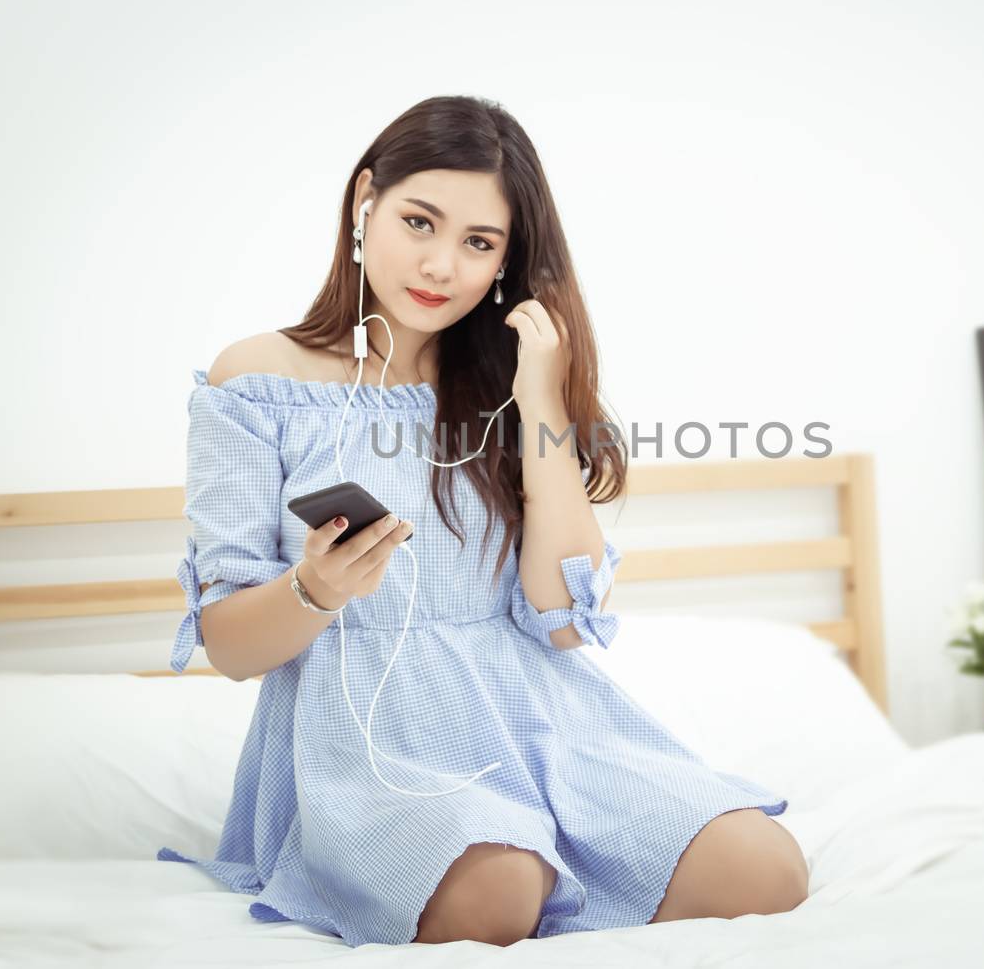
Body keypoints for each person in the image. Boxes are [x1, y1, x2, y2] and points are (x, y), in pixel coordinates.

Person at [156, 95, 808, 948]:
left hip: (542, 722)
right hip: (370, 743)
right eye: (419, 221)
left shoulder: (509, 386)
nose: (440, 266)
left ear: (507, 259)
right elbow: (233, 648)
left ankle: (561, 858)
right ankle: (516, 869)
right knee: (497, 888)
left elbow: (562, 620)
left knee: (767, 869)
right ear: (365, 203)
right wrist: (315, 589)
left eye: (478, 243)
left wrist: (540, 394)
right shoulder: (259, 379)